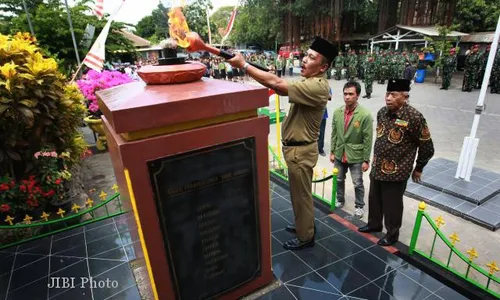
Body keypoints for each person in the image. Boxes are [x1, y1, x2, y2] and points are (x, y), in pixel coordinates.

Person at [227, 37, 335, 250]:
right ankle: (304, 225)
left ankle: (306, 237)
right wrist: (254, 68)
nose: (304, 60)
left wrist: (244, 65)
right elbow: (276, 82)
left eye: (311, 58)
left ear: (323, 67)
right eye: (305, 55)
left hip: (301, 151)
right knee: (300, 194)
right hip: (298, 149)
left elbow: (276, 84)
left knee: (301, 196)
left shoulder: (317, 86)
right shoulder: (310, 81)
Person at [358, 79, 434, 247]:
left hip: (397, 172)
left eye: (393, 94)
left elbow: (427, 147)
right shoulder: (382, 113)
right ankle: (374, 224)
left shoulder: (414, 117)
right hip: (378, 168)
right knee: (374, 199)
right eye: (387, 94)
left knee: (392, 206)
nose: (388, 98)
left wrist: (418, 168)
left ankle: (392, 235)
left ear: (405, 97)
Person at [330, 81, 373, 218]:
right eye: (345, 94)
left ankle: (359, 206)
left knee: (358, 183)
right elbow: (334, 133)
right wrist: (332, 151)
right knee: (339, 179)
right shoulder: (338, 112)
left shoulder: (365, 115)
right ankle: (340, 199)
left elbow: (368, 139)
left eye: (351, 94)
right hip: (339, 153)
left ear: (357, 95)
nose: (347, 97)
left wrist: (366, 160)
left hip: (356, 156)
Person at [318, 88, 332, 156]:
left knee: (321, 132)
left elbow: (329, 97)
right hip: (311, 113)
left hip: (322, 113)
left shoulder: (325, 86)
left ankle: (320, 148)